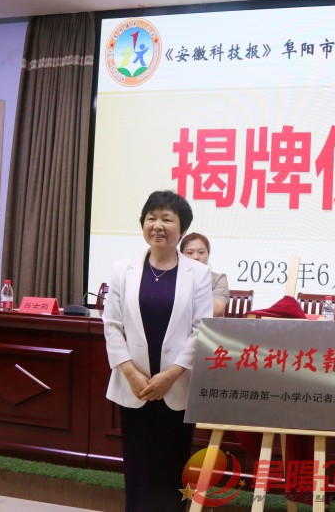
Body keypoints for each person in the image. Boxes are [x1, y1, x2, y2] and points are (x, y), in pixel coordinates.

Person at [102, 190, 213, 512]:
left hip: (175, 386)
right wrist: (130, 372)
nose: (157, 225)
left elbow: (201, 329)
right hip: (134, 385)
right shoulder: (123, 269)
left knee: (172, 466)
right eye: (151, 218)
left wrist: (171, 374)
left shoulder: (198, 273)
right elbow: (112, 324)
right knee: (137, 467)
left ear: (182, 228)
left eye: (167, 219)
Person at [180, 232, 230, 317]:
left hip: (207, 325)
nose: (196, 257)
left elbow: (216, 310)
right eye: (190, 252)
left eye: (201, 252)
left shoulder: (218, 279)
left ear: (208, 254)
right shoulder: (175, 277)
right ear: (181, 256)